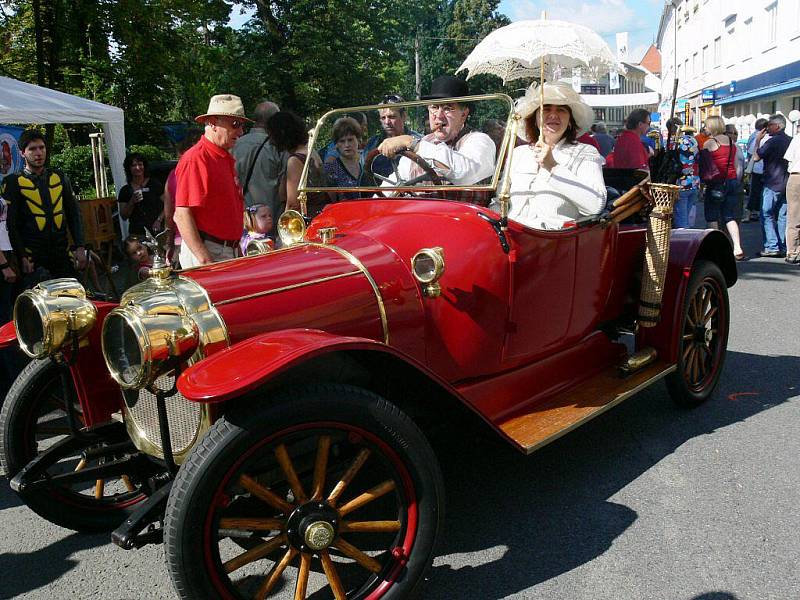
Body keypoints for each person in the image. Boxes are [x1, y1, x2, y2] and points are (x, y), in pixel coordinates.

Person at [504, 81, 606, 230]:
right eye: (546, 109)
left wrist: (553, 166)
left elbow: (596, 204)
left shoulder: (585, 153)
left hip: (554, 244)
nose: (553, 115)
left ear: (570, 120)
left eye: (561, 110)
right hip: (511, 240)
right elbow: (499, 200)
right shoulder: (519, 153)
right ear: (535, 118)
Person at [377, 75, 496, 187]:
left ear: (464, 114)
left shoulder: (479, 140)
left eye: (448, 108)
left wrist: (412, 143)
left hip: (461, 209)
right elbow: (392, 183)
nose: (439, 116)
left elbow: (465, 174)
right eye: (434, 107)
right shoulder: (424, 141)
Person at [174, 94, 249, 267]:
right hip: (209, 252)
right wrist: (206, 260)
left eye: (241, 125)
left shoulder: (221, 156)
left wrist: (235, 247)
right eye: (235, 124)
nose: (240, 131)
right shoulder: (197, 158)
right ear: (213, 123)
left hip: (223, 249)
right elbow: (182, 215)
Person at [3, 129, 87, 283]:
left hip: (61, 253)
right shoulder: (12, 182)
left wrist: (80, 246)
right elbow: (11, 224)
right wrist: (22, 256)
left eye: (42, 148)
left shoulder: (59, 177)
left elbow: (74, 213)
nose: (38, 153)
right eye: (32, 149)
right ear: (22, 153)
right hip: (33, 257)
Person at [266, 110, 329, 217]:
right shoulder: (312, 152)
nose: (271, 141)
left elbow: (293, 205)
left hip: (306, 221)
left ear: (281, 134)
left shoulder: (295, 161)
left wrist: (285, 228)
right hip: (321, 215)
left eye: (272, 135)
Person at [232, 100, 284, 224]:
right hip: (270, 221)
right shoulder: (278, 147)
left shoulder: (234, 145)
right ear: (274, 121)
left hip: (242, 220)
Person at [702, 115, 745, 260]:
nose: (705, 128)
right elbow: (737, 166)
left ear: (712, 126)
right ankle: (737, 247)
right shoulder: (732, 143)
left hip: (716, 183)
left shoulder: (709, 143)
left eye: (706, 126)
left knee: (712, 216)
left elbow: (705, 166)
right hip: (732, 181)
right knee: (729, 216)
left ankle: (715, 249)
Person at [754, 114, 791, 258]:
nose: (767, 128)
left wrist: (758, 141)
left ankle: (771, 245)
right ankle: (783, 244)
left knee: (766, 214)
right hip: (787, 183)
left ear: (777, 126)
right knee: (783, 216)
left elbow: (757, 157)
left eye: (769, 125)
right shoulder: (791, 140)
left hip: (772, 182)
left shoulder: (772, 141)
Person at [164, 129, 202, 265]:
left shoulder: (172, 176)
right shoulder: (201, 172)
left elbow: (169, 215)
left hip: (181, 240)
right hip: (202, 241)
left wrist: (169, 243)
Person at [364, 95, 423, 176]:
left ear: (404, 116)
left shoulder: (419, 141)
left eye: (392, 117)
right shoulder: (372, 144)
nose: (387, 122)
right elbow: (364, 176)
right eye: (383, 118)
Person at [117, 153, 165, 236]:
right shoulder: (125, 190)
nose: (137, 168)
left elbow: (168, 205)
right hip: (137, 233)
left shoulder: (154, 184)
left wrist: (159, 220)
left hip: (156, 231)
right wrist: (132, 202)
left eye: (140, 164)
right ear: (129, 169)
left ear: (144, 166)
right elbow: (124, 216)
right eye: (133, 165)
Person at [667, 118, 699, 228]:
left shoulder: (673, 142)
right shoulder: (693, 140)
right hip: (694, 181)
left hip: (680, 182)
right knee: (687, 217)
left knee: (681, 220)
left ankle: (684, 242)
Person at [324, 117, 364, 201]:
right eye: (342, 141)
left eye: (350, 140)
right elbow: (330, 202)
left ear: (358, 139)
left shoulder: (366, 161)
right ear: (336, 144)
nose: (347, 145)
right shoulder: (331, 168)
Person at [744, 118, 768, 222]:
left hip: (757, 169)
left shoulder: (753, 136)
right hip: (764, 169)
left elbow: (750, 153)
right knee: (762, 193)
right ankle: (758, 213)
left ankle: (750, 214)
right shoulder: (762, 137)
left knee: (754, 192)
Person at [784, 132, 800, 265]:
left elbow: (789, 157)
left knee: (793, 216)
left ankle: (793, 252)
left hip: (796, 176)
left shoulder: (798, 138)